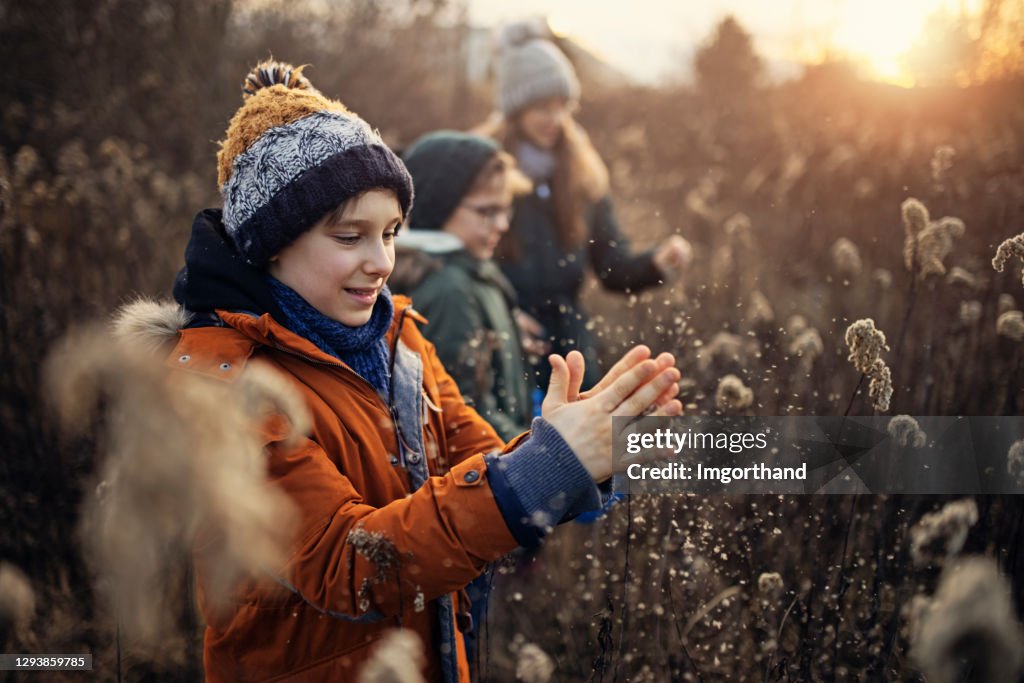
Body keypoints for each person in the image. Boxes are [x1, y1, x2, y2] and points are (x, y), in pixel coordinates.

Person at [144, 61, 682, 682]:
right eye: (350, 237)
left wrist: (562, 450)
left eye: (392, 233)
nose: (381, 263)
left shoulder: (397, 337)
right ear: (272, 244)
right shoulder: (231, 387)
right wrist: (541, 469)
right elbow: (353, 563)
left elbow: (472, 461)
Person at [475, 21, 694, 390]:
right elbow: (459, 264)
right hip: (503, 352)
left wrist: (656, 264)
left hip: (572, 351)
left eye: (563, 106)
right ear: (515, 109)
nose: (555, 119)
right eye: (542, 107)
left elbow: (611, 267)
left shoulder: (582, 173)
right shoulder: (482, 171)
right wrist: (498, 317)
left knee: (577, 445)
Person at [391, 130, 534, 442]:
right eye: (487, 211)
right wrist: (547, 455)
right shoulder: (450, 290)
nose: (502, 224)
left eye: (505, 209)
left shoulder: (472, 269)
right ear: (437, 208)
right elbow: (468, 415)